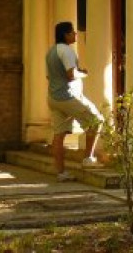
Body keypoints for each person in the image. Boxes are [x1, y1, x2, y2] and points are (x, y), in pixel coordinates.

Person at [46, 21, 102, 182]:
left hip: (53, 97)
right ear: (66, 34)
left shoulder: (51, 52)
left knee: (59, 134)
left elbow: (49, 76)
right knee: (96, 120)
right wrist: (83, 73)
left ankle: (61, 173)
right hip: (68, 96)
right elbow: (71, 75)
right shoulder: (67, 52)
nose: (75, 35)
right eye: (72, 32)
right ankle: (88, 159)